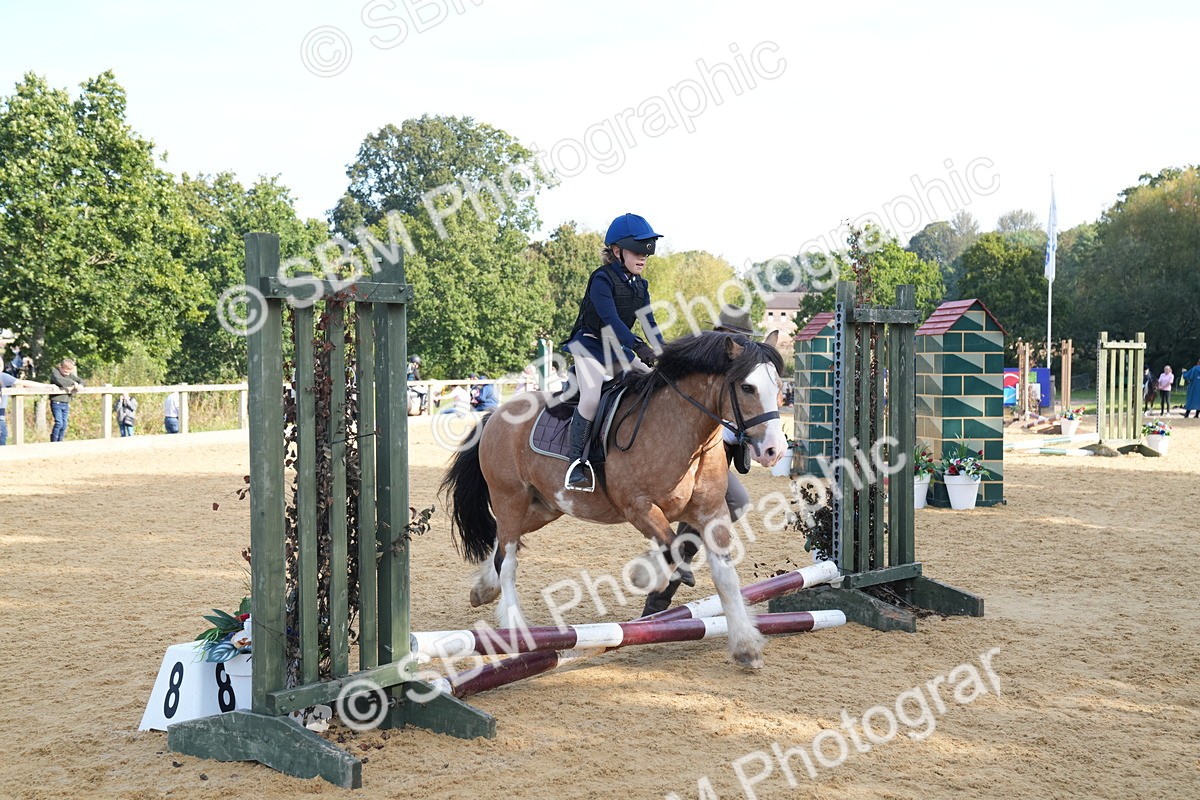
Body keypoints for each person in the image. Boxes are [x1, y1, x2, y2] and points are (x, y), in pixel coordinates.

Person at [640, 305, 763, 616]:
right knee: (727, 506)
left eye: (745, 341)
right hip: (677, 461)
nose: (741, 347)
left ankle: (662, 587)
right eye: (737, 340)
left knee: (734, 503)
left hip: (710, 468)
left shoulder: (738, 376)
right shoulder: (700, 365)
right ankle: (661, 591)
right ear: (722, 338)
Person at [561, 212, 666, 489]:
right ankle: (576, 464)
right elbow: (611, 320)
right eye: (636, 253)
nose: (643, 258)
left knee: (651, 380)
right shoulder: (601, 279)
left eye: (646, 254)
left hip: (617, 349)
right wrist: (638, 346)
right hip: (590, 344)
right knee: (592, 397)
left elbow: (648, 321)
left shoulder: (641, 285)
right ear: (617, 252)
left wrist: (665, 350)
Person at [1, 370, 54, 446]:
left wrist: (46, 386)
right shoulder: (2, 377)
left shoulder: (2, 377)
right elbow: (24, 383)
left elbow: (24, 383)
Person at [49, 358, 85, 442]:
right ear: (60, 367)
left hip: (66, 402)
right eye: (65, 371)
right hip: (56, 402)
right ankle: (54, 441)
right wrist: (73, 383)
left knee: (64, 424)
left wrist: (81, 385)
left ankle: (60, 440)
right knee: (59, 423)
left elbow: (80, 380)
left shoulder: (70, 375)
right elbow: (60, 381)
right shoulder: (55, 372)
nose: (67, 373)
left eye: (69, 371)